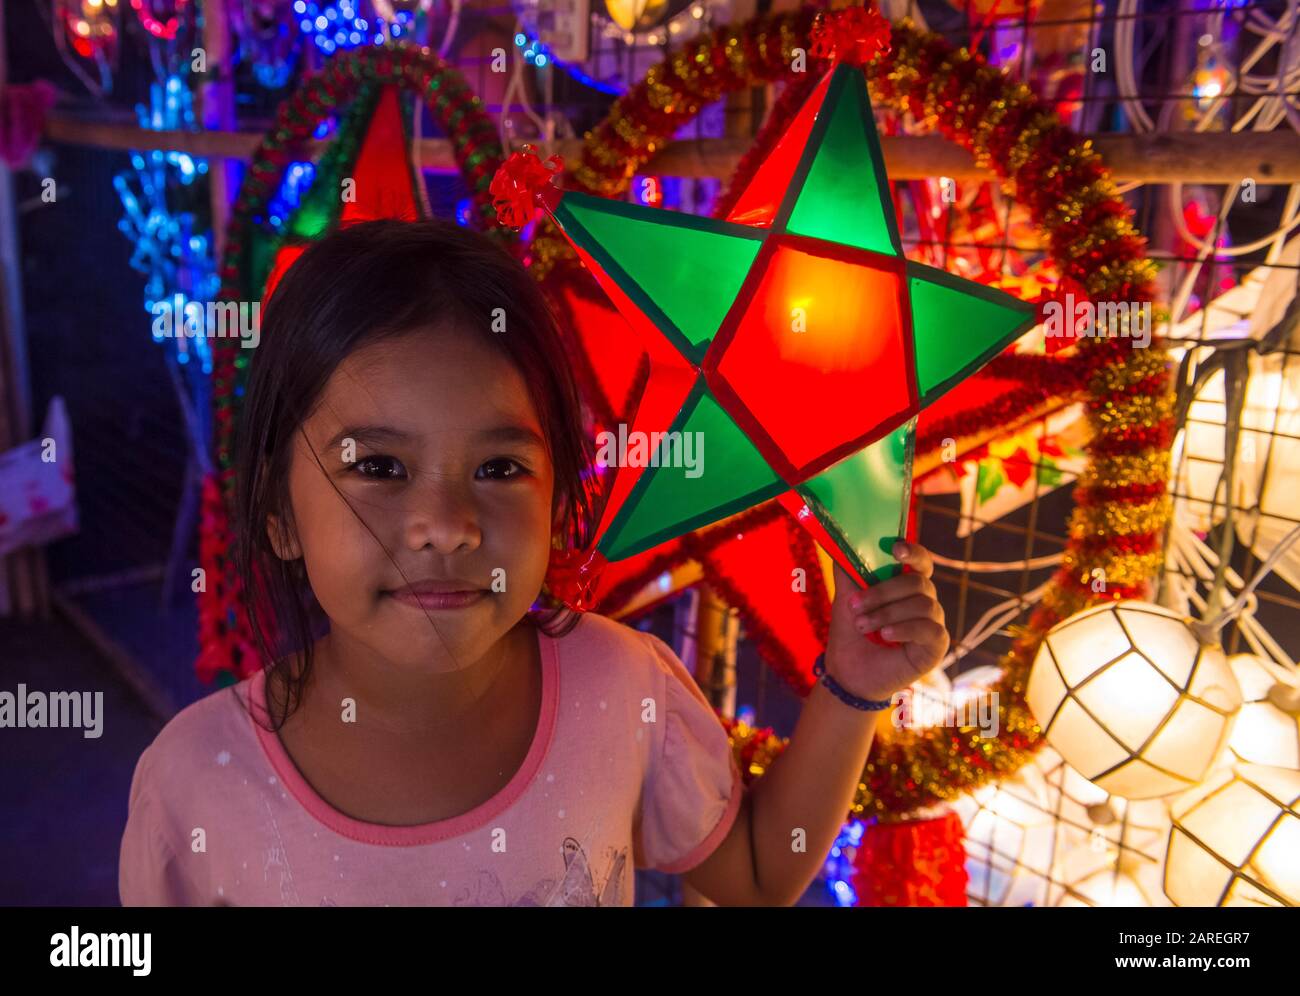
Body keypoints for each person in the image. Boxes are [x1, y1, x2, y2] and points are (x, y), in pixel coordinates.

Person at [119, 219, 949, 906]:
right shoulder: (196, 782)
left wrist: (853, 689)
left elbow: (760, 874)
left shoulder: (624, 686)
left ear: (556, 501)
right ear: (278, 512)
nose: (446, 528)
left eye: (499, 468)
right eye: (378, 467)